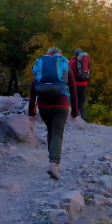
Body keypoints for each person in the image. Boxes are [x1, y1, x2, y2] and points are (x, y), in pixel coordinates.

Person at [28, 47, 78, 180]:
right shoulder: (63, 62)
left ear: (48, 54)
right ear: (59, 54)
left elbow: (33, 89)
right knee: (57, 132)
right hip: (61, 103)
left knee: (51, 130)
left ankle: (52, 160)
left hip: (43, 104)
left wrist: (31, 112)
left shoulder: (41, 64)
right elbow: (73, 88)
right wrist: (75, 111)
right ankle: (54, 164)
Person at [69, 48, 90, 121]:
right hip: (84, 83)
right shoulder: (85, 61)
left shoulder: (72, 61)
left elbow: (69, 72)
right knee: (81, 101)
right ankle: (83, 115)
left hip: (75, 83)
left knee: (74, 99)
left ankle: (76, 116)